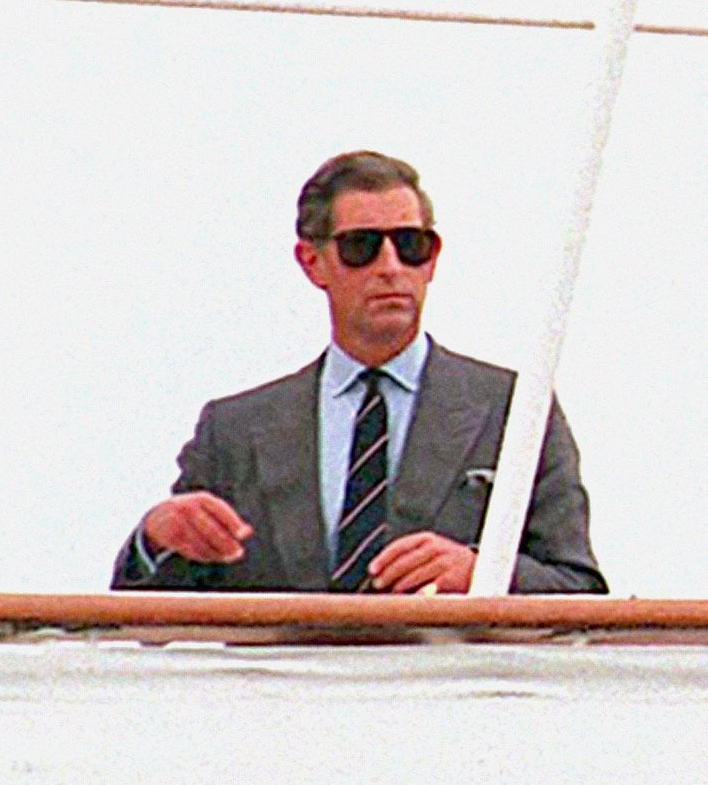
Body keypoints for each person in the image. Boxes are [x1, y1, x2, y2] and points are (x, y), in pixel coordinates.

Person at [115, 151, 602, 593]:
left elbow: (579, 586)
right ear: (312, 262)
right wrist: (156, 537)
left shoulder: (513, 411)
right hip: (283, 689)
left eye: (410, 245)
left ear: (432, 260)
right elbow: (152, 607)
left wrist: (482, 573)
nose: (390, 266)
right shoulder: (237, 431)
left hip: (446, 686)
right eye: (361, 247)